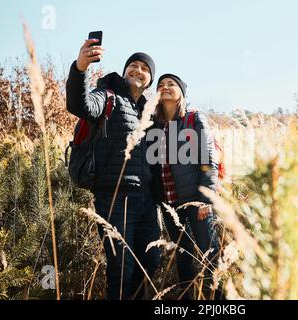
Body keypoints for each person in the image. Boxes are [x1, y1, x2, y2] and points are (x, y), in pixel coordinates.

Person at [66, 38, 160, 300]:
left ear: (150, 80)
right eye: (133, 65)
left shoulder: (149, 113)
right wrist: (80, 68)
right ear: (124, 71)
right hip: (115, 198)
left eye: (144, 68)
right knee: (122, 268)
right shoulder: (108, 96)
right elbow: (80, 105)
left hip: (146, 201)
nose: (137, 70)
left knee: (152, 261)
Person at [149, 73, 222, 299]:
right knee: (182, 251)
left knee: (209, 250)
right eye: (161, 85)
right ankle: (186, 296)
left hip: (195, 199)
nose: (165, 87)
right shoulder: (154, 124)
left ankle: (218, 299)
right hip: (169, 201)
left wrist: (205, 199)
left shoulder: (193, 118)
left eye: (171, 84)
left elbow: (209, 160)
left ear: (181, 91)